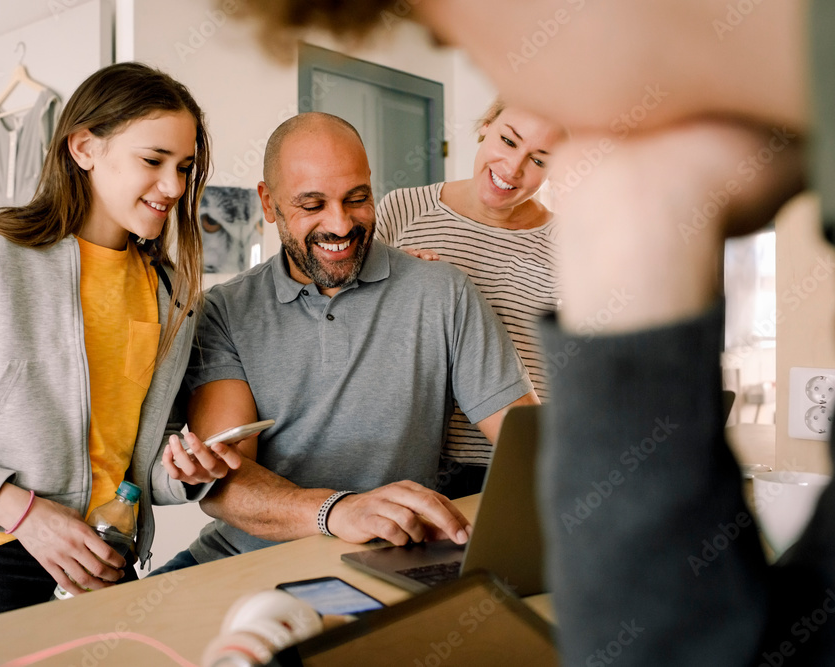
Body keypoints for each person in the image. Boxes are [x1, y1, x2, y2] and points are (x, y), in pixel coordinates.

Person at [233, 1, 835, 665]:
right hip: (471, 470)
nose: (527, 160)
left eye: (458, 28)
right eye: (512, 137)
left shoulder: (562, 234)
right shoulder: (399, 222)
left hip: (543, 446)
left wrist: (638, 243)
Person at [0, 62, 241, 628]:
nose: (175, 187)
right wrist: (26, 514)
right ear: (85, 147)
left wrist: (185, 468)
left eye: (185, 167)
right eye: (153, 161)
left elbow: (137, 451)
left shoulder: (170, 293)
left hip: (107, 563)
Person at [150, 111, 538, 573]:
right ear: (268, 203)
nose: (340, 225)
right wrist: (338, 511)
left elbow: (529, 440)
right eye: (312, 205)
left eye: (357, 198)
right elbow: (226, 485)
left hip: (384, 559)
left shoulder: (441, 292)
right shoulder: (224, 310)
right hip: (240, 558)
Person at [376, 101, 567, 498]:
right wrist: (387, 290)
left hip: (514, 466)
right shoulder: (403, 210)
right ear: (486, 125)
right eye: (508, 140)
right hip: (405, 466)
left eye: (539, 159)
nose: (513, 168)